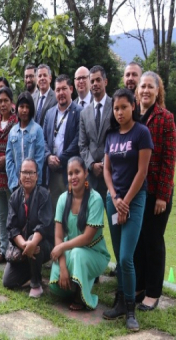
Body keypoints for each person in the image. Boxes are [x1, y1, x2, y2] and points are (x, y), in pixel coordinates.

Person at [102, 88, 153, 331]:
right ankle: (120, 301)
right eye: (116, 108)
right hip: (113, 198)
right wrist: (114, 197)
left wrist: (126, 201)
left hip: (135, 199)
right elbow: (106, 169)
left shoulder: (142, 133)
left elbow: (142, 171)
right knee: (118, 257)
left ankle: (131, 309)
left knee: (125, 257)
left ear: (133, 106)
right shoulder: (111, 135)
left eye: (124, 107)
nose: (120, 112)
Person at [134, 71, 175, 311]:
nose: (146, 91)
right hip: (136, 192)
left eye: (151, 87)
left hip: (155, 193)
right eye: (143, 87)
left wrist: (162, 195)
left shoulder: (165, 118)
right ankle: (139, 285)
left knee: (153, 241)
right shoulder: (133, 115)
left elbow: (169, 159)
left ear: (158, 91)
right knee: (137, 241)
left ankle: (153, 292)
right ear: (137, 91)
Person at [50, 157, 110, 310]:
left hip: (94, 253)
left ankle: (82, 296)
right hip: (71, 250)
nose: (73, 177)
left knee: (77, 254)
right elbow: (58, 236)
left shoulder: (95, 199)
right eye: (70, 174)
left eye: (77, 172)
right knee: (56, 285)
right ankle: (74, 284)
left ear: (85, 173)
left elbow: (87, 238)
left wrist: (62, 247)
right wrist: (63, 267)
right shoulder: (63, 199)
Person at [3, 158, 54, 298]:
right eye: (24, 172)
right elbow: (12, 228)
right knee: (8, 281)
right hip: (23, 245)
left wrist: (32, 242)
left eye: (31, 173)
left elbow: (44, 225)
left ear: (37, 176)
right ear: (19, 175)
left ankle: (36, 284)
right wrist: (25, 245)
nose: (28, 176)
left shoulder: (44, 195)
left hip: (43, 244)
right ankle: (30, 268)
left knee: (35, 241)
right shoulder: (14, 197)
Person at [0, 86, 18, 264]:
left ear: (11, 102)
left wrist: (5, 159)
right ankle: (3, 250)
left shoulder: (16, 121)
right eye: (0, 101)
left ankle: (14, 250)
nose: (3, 104)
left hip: (11, 174)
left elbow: (16, 146)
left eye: (6, 100)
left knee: (13, 214)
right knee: (1, 214)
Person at [42, 75, 83, 208]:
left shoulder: (79, 112)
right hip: (52, 173)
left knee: (72, 211)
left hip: (70, 172)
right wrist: (48, 157)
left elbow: (78, 140)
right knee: (55, 212)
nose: (61, 93)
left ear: (71, 89)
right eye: (58, 90)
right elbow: (43, 139)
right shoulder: (49, 113)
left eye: (64, 89)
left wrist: (60, 159)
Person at [79, 65, 112, 200]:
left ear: (105, 81)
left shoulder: (115, 106)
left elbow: (117, 137)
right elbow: (82, 144)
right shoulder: (84, 113)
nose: (95, 84)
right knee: (91, 218)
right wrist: (92, 164)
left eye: (98, 80)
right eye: (92, 81)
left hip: (111, 172)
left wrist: (104, 164)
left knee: (114, 218)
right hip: (92, 175)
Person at [6, 92, 45, 193]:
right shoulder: (13, 131)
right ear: (17, 108)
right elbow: (9, 159)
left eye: (27, 107)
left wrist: (31, 180)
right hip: (16, 185)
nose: (24, 110)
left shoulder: (37, 130)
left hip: (33, 185)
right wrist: (15, 181)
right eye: (21, 106)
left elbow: (39, 159)